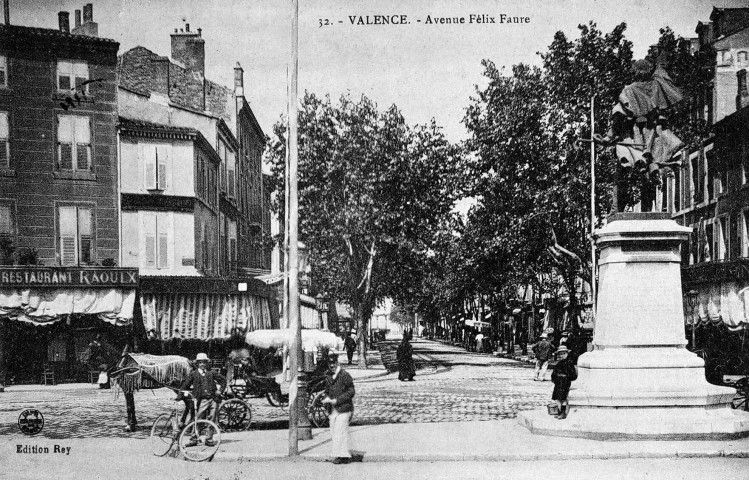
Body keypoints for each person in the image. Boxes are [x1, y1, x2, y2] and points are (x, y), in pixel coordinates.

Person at [178, 353, 227, 446]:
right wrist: (180, 395)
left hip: (213, 399)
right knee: (198, 418)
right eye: (200, 362)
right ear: (197, 364)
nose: (202, 364)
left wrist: (220, 391)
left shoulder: (211, 372)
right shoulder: (194, 374)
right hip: (202, 400)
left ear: (207, 363)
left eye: (204, 362)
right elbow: (185, 385)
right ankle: (194, 438)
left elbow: (223, 380)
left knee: (212, 419)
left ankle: (209, 439)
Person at [322, 352, 361, 464]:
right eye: (330, 364)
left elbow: (351, 391)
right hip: (332, 409)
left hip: (344, 408)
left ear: (337, 363)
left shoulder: (344, 375)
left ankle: (340, 455)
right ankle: (342, 454)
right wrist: (326, 398)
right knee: (334, 432)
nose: (332, 366)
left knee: (340, 430)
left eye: (333, 363)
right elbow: (327, 391)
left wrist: (338, 400)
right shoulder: (328, 376)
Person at [551, 345, 578, 420]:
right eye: (560, 354)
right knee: (557, 398)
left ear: (567, 354)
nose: (562, 355)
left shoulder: (569, 363)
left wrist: (564, 376)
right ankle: (559, 411)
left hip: (565, 383)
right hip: (558, 383)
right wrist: (556, 377)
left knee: (563, 398)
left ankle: (563, 413)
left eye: (564, 353)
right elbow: (553, 374)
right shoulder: (559, 364)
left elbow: (573, 375)